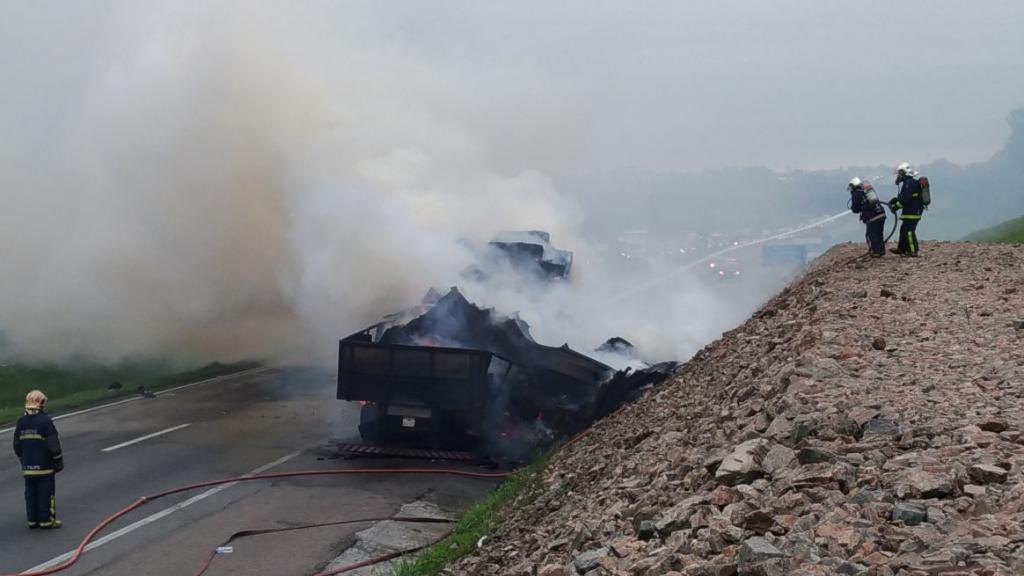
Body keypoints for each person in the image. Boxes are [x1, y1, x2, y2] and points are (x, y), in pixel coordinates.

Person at [13, 390, 64, 529]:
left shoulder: (21, 422)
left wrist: (23, 460)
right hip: (45, 466)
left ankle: (32, 521)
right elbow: (53, 443)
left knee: (31, 494)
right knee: (46, 494)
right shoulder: (45, 421)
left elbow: (16, 444)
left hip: (28, 468)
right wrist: (58, 460)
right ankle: (46, 521)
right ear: (41, 404)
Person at [889, 162, 924, 256]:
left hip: (912, 212)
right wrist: (895, 200)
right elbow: (906, 197)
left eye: (899, 174)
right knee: (903, 230)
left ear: (903, 173)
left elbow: (905, 200)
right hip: (913, 211)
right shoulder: (911, 183)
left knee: (909, 231)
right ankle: (901, 249)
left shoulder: (908, 184)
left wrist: (895, 207)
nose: (898, 177)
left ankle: (913, 251)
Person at [848, 177, 887, 257]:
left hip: (872, 217)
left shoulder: (856, 194)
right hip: (881, 214)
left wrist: (855, 207)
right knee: (879, 233)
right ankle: (881, 250)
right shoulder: (867, 190)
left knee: (871, 234)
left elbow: (855, 209)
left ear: (853, 186)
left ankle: (876, 252)